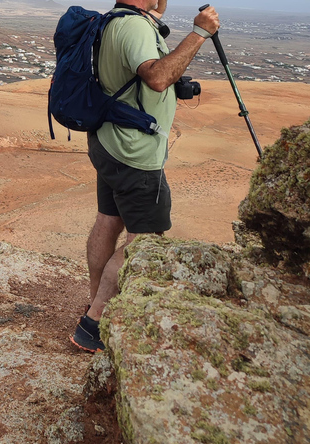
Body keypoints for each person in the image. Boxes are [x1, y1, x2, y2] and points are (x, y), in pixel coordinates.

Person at [69, 0, 220, 353]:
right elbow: (157, 77)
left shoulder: (119, 19)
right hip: (135, 153)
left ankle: (94, 302)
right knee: (146, 240)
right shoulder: (135, 27)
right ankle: (93, 326)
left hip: (110, 141)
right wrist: (201, 32)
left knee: (109, 221)